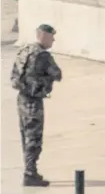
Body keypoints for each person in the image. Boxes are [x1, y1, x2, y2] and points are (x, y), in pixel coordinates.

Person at [10, 24, 62, 186]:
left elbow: (13, 76)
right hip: (34, 101)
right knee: (34, 138)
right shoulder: (43, 56)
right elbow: (58, 74)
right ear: (44, 36)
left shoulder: (24, 50)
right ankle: (30, 173)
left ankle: (29, 169)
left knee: (25, 135)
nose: (53, 40)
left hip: (22, 100)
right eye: (51, 36)